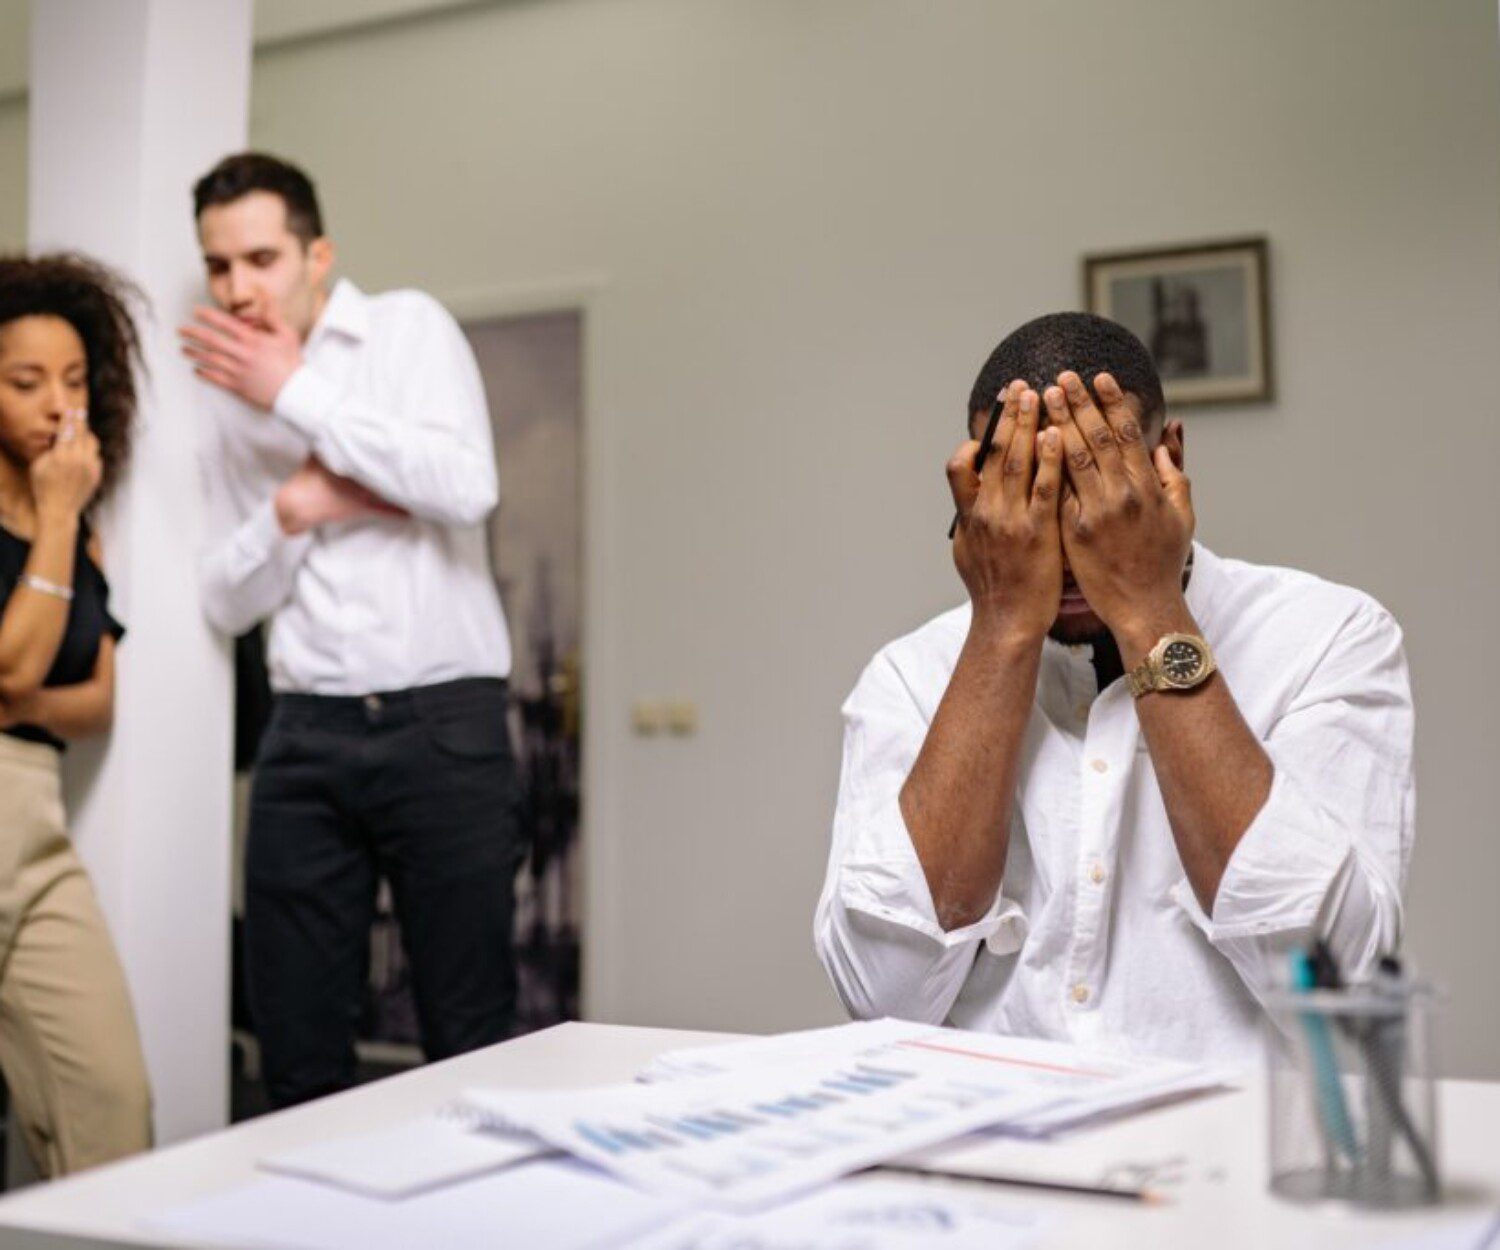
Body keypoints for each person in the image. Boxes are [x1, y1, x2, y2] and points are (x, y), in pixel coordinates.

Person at [814, 312, 1412, 1065]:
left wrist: (1147, 607)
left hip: (1230, 1148)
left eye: (1094, 480)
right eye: (1019, 484)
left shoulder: (1328, 635)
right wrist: (1001, 629)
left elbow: (1334, 977)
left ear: (1169, 462)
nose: (1060, 534)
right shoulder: (908, 676)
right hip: (992, 1141)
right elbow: (881, 997)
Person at [180, 152, 522, 1108]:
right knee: (295, 1050)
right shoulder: (215, 400)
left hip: (443, 726)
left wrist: (296, 395)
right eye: (218, 267)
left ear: (316, 254)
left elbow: (464, 487)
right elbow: (221, 598)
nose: (239, 289)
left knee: (470, 1038)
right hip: (304, 736)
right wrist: (296, 510)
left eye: (261, 259)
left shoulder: (407, 331)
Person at [0, 253, 153, 1174]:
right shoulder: (68, 515)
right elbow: (12, 657)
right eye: (26, 382)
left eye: (73, 382)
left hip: (37, 824)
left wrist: (19, 696)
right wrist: (56, 514)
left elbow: (93, 703)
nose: (59, 405)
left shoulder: (81, 525)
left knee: (113, 1101)